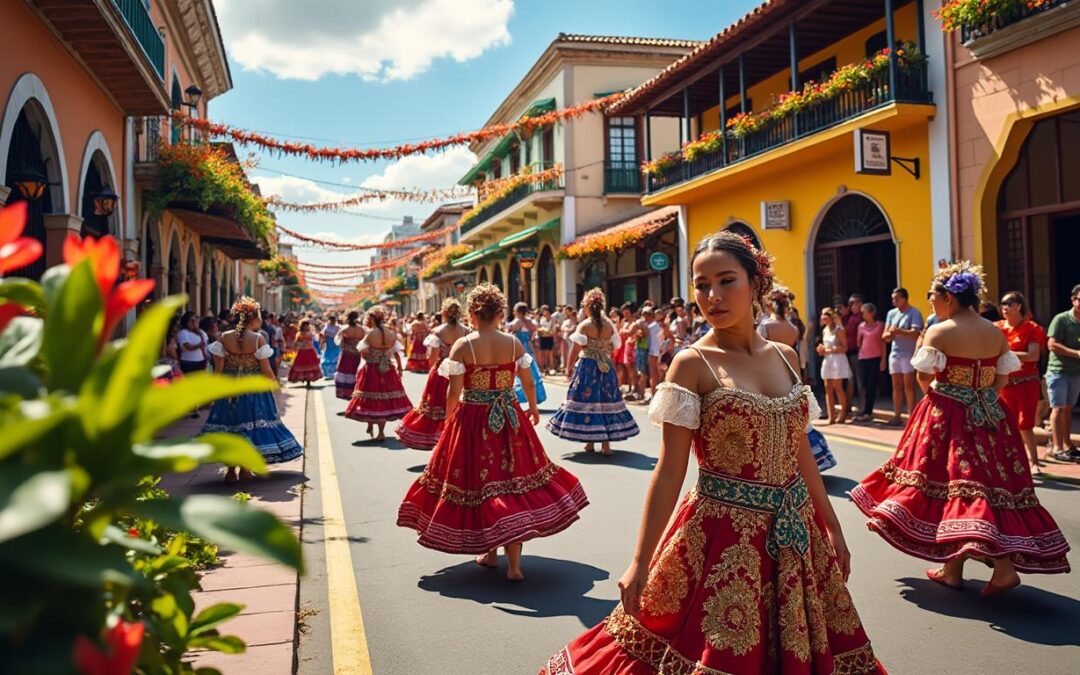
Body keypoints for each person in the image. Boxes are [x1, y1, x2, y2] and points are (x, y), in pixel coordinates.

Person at [542, 231, 882, 674]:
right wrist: (640, 561)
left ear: (756, 284)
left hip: (797, 536)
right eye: (701, 285)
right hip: (721, 539)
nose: (712, 296)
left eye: (726, 281)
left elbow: (800, 451)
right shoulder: (691, 364)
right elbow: (669, 471)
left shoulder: (785, 357)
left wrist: (832, 526)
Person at [852, 263, 1070, 597]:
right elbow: (1001, 378)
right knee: (991, 487)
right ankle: (963, 568)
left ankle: (989, 568)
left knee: (952, 487)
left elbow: (924, 377)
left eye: (933, 296)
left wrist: (946, 399)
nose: (930, 303)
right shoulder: (995, 331)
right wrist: (982, 399)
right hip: (992, 415)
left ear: (949, 298)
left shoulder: (940, 331)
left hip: (949, 414)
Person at [397, 284, 588, 581]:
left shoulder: (464, 346)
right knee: (513, 480)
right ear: (500, 313)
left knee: (482, 482)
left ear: (472, 314)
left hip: (473, 419)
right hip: (511, 416)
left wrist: (449, 418)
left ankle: (490, 552)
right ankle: (512, 565)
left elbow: (454, 390)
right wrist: (534, 408)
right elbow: (527, 382)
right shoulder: (514, 344)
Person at [202, 297, 302, 484]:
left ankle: (231, 471)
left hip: (229, 388)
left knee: (231, 426)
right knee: (251, 425)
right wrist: (274, 385)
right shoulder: (257, 338)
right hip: (253, 389)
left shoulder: (223, 337)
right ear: (254, 318)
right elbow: (266, 370)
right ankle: (245, 468)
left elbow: (218, 370)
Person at [547, 288, 640, 455]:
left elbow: (574, 349)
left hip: (588, 366)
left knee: (588, 403)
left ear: (588, 307)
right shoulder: (609, 325)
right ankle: (605, 445)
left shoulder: (585, 325)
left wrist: (568, 368)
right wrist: (602, 351)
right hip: (605, 365)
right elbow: (615, 346)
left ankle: (590, 442)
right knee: (605, 401)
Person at [395, 299, 468, 450]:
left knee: (436, 409)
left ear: (444, 313)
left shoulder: (438, 331)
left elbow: (432, 359)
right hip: (462, 374)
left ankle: (441, 442)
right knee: (459, 409)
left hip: (441, 374)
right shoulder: (467, 331)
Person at [995, 292, 1047, 473]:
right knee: (1005, 424)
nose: (1004, 307)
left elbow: (1033, 355)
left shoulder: (1032, 328)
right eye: (1002, 304)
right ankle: (1010, 462)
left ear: (1018, 306)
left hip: (1026, 383)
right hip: (1004, 384)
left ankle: (1034, 462)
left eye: (1008, 304)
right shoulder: (997, 328)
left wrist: (1005, 354)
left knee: (1025, 424)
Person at [344, 307, 412, 440]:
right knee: (384, 399)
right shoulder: (391, 334)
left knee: (371, 398)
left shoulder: (370, 334)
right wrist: (399, 368)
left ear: (372, 319)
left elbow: (363, 353)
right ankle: (381, 432)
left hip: (372, 369)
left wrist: (373, 356)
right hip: (388, 369)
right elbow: (396, 353)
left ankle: (371, 423)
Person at [1046, 284, 1080, 462]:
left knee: (1068, 409)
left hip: (1076, 373)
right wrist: (1076, 353)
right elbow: (1051, 344)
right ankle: (1056, 448)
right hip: (1058, 372)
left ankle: (1067, 445)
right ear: (1073, 300)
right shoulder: (1062, 319)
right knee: (1058, 408)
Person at [883, 287, 923, 426]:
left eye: (897, 298)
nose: (894, 301)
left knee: (909, 385)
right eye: (893, 298)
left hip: (908, 354)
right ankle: (897, 415)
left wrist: (899, 331)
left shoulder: (914, 312)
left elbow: (915, 333)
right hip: (895, 353)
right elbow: (885, 336)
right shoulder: (891, 314)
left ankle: (911, 416)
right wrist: (890, 334)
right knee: (896, 385)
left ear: (905, 298)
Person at [817, 307, 852, 424]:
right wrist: (822, 349)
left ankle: (843, 413)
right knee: (827, 387)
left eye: (825, 316)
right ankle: (831, 416)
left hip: (838, 359)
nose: (823, 318)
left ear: (831, 318)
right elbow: (825, 345)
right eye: (822, 316)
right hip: (828, 359)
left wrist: (829, 350)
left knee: (838, 387)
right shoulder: (825, 330)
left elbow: (845, 347)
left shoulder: (839, 330)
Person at [509, 302, 547, 406]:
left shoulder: (516, 322)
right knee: (532, 372)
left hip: (519, 348)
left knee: (520, 373)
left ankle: (520, 397)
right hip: (529, 348)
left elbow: (511, 334)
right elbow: (534, 334)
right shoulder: (531, 322)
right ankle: (534, 397)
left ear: (517, 311)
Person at [855, 302, 886, 423]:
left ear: (872, 312)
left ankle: (868, 411)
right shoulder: (861, 326)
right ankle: (863, 408)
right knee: (863, 385)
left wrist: (883, 360)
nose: (862, 314)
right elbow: (859, 342)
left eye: (864, 312)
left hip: (875, 358)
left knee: (872, 385)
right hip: (863, 358)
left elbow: (882, 343)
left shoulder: (880, 325)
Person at [334, 311, 365, 401]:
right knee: (355, 372)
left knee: (346, 372)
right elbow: (364, 342)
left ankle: (346, 392)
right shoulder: (361, 329)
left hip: (346, 355)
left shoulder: (345, 329)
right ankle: (356, 391)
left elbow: (337, 341)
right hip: (357, 355)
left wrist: (347, 345)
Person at [845, 294, 864, 415]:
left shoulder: (862, 317)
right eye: (851, 303)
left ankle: (863, 405)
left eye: (856, 303)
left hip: (859, 352)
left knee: (860, 380)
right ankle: (848, 405)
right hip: (848, 351)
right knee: (850, 379)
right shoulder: (849, 317)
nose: (853, 305)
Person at [287, 319, 322, 386]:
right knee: (301, 366)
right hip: (302, 352)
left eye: (307, 325)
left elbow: (315, 340)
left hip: (310, 351)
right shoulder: (299, 334)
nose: (306, 327)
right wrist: (300, 344)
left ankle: (308, 381)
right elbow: (296, 343)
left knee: (310, 366)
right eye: (305, 325)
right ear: (302, 326)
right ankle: (303, 379)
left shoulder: (311, 333)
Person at [320, 315, 341, 379]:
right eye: (332, 320)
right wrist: (323, 343)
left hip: (336, 344)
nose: (333, 321)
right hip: (329, 344)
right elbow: (323, 335)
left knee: (336, 357)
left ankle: (335, 372)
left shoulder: (338, 327)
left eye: (334, 320)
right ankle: (328, 373)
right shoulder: (327, 327)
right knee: (328, 357)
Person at [537, 305, 555, 375]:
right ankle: (544, 368)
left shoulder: (552, 319)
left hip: (549, 337)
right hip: (543, 337)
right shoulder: (541, 319)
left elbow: (552, 330)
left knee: (549, 354)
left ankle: (549, 367)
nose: (544, 313)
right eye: (543, 311)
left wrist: (548, 332)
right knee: (543, 354)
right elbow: (539, 328)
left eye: (545, 311)